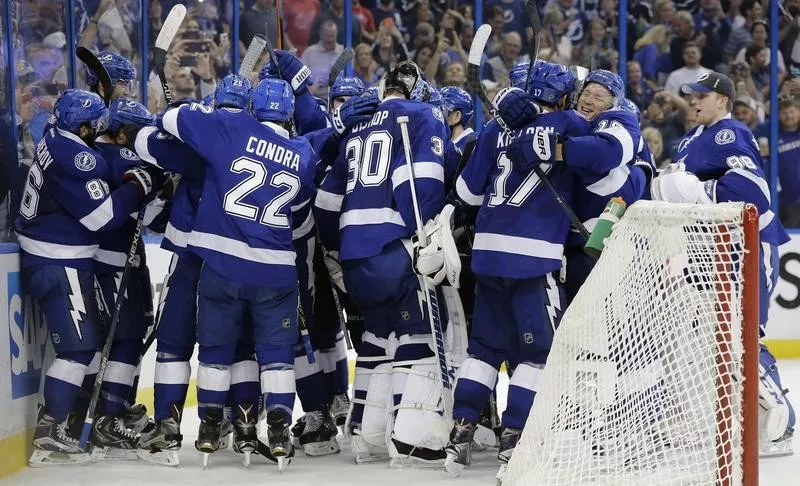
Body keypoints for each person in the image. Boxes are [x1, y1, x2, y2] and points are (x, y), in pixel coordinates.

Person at [156, 77, 318, 468]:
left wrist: (205, 110)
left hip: (222, 267)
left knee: (215, 350)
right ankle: (278, 426)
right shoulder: (304, 152)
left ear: (253, 106)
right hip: (277, 273)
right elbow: (299, 212)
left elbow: (170, 118)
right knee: (277, 356)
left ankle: (211, 423)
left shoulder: (231, 128)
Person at [446, 61, 588, 478]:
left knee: (485, 349)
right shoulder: (571, 123)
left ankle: (462, 429)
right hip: (534, 256)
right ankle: (514, 435)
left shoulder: (494, 129)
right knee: (539, 355)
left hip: (487, 254)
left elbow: (467, 193)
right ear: (562, 96)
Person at [651, 71, 795, 457]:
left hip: (749, 247)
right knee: (711, 338)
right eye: (691, 95)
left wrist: (699, 191)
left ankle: (780, 422)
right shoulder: (692, 139)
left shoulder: (730, 133)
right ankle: (723, 419)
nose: (694, 100)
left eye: (701, 95)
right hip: (710, 251)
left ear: (722, 101)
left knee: (743, 335)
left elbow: (754, 193)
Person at [16, 90, 160, 465]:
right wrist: (137, 187)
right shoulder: (78, 157)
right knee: (79, 349)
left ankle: (68, 423)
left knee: (87, 345)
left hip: (45, 258)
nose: (98, 131)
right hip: (60, 261)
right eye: (93, 125)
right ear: (81, 126)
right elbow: (101, 218)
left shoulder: (53, 137)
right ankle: (51, 430)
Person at [330, 61, 450, 466]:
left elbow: (327, 202)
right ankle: (413, 439)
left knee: (378, 341)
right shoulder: (421, 114)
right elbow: (421, 183)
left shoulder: (356, 126)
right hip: (394, 248)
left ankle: (368, 437)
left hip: (354, 255)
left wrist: (336, 249)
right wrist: (427, 234)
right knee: (418, 338)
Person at [135, 75, 252, 467]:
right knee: (234, 347)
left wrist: (166, 120)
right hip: (235, 261)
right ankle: (236, 423)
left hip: (189, 258)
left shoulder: (196, 150)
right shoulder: (250, 143)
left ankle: (168, 429)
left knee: (173, 345)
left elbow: (143, 142)